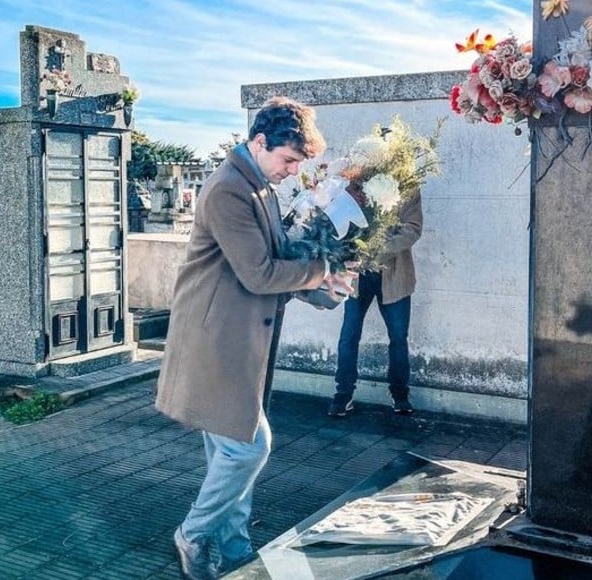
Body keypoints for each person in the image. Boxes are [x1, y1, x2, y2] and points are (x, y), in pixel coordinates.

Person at [155, 96, 352, 580]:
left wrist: (323, 284)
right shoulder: (229, 189)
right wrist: (320, 270)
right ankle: (193, 534)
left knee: (230, 450)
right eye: (289, 159)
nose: (292, 171)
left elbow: (277, 257)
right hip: (215, 341)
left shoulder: (258, 184)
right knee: (249, 448)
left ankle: (236, 551)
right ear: (260, 142)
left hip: (234, 338)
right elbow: (260, 273)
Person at [328, 191, 423, 417]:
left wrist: (377, 251)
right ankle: (343, 393)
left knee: (398, 337)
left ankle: (400, 394)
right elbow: (342, 219)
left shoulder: (409, 188)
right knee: (349, 335)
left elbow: (412, 229)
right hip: (358, 275)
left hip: (395, 274)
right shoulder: (358, 183)